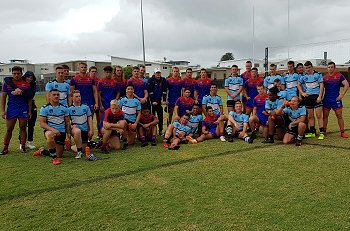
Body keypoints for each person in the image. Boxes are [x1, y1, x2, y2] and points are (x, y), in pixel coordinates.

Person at [3, 70, 37, 151]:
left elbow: (30, 98)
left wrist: (29, 111)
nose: (16, 75)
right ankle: (5, 148)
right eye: (14, 73)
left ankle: (23, 146)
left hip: (23, 109)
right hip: (12, 109)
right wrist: (2, 111)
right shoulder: (7, 82)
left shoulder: (28, 84)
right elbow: (3, 97)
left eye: (18, 73)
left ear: (21, 74)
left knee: (23, 127)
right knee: (9, 129)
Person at [38, 89, 70, 165]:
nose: (56, 96)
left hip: (61, 132)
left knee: (59, 154)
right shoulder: (45, 108)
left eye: (58, 95)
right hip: (50, 130)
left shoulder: (64, 108)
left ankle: (42, 151)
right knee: (49, 135)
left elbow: (67, 122)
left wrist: (68, 135)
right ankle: (54, 159)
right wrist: (53, 130)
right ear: (49, 96)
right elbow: (42, 123)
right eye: (54, 95)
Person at [297, 61, 325, 140]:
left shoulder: (318, 74)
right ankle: (313, 132)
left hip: (316, 97)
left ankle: (322, 132)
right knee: (310, 116)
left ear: (312, 67)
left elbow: (321, 85)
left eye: (309, 67)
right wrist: (302, 93)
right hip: (308, 97)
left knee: (319, 115)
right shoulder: (303, 76)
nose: (307, 69)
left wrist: (320, 96)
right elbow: (298, 84)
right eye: (306, 68)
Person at [322, 61, 349, 138]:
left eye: (332, 67)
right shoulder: (324, 78)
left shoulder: (339, 76)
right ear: (327, 68)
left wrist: (342, 95)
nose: (330, 69)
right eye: (329, 67)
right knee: (325, 116)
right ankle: (324, 131)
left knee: (339, 115)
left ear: (334, 68)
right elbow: (320, 88)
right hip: (326, 99)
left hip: (336, 99)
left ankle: (342, 132)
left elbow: (346, 84)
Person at [68, 90, 93, 158]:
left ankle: (72, 147)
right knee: (77, 131)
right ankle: (79, 152)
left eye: (79, 96)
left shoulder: (86, 107)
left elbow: (90, 119)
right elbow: (67, 121)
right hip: (75, 130)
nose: (78, 98)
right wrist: (70, 128)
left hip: (84, 130)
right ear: (72, 98)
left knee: (84, 150)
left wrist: (91, 130)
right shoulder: (69, 109)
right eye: (76, 96)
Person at [147, 68, 166, 134]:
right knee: (152, 117)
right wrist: (153, 101)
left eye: (159, 73)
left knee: (160, 116)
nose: (158, 74)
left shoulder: (163, 80)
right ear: (154, 73)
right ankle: (151, 131)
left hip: (159, 102)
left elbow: (164, 91)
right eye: (157, 73)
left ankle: (160, 130)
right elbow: (150, 91)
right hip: (152, 102)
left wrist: (164, 100)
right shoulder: (150, 80)